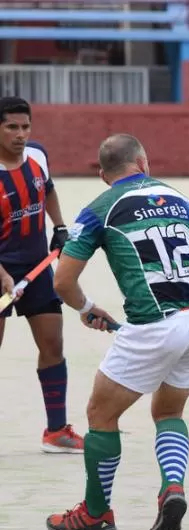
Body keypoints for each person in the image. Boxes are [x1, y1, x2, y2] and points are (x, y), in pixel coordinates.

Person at [45, 134, 189, 530]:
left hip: (153, 326)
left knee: (101, 416)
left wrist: (87, 309)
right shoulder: (182, 199)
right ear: (143, 161)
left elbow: (63, 282)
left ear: (104, 175)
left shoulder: (100, 208)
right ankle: (171, 487)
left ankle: (96, 513)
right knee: (169, 413)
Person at [0, 96, 83, 453]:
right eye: (11, 127)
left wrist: (59, 226)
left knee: (53, 343)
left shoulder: (37, 156)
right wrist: (2, 275)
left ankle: (56, 432)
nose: (21, 134)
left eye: (26, 126)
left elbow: (47, 189)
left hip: (37, 267)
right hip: (1, 269)